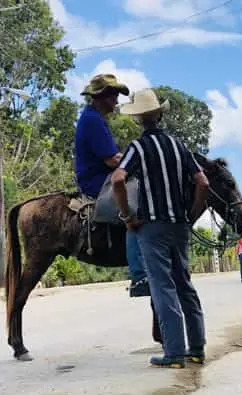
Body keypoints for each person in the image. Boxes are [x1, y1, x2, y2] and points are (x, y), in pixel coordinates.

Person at [112, 88, 210, 369]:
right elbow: (202, 183)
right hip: (179, 226)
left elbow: (118, 179)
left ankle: (175, 353)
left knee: (163, 287)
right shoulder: (179, 146)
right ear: (160, 113)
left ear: (138, 120)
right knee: (184, 285)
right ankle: (197, 349)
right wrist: (191, 214)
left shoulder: (138, 148)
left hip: (152, 227)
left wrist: (127, 216)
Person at [74, 73, 149, 297]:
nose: (116, 100)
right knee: (136, 209)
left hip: (103, 175)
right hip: (97, 180)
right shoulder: (93, 120)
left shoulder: (94, 118)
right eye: (113, 95)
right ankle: (139, 274)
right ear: (102, 96)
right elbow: (112, 160)